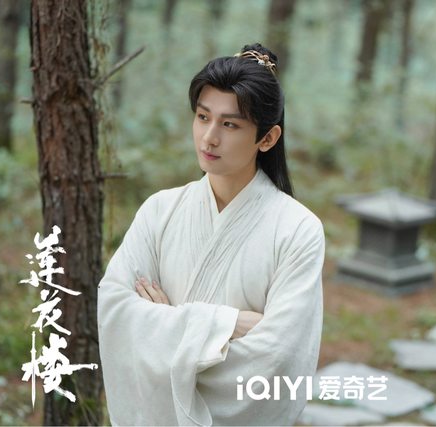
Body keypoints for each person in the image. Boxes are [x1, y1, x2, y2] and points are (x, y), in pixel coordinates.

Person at [98, 43, 325, 426]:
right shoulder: (159, 211)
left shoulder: (298, 230)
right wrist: (227, 324)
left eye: (229, 125)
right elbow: (117, 312)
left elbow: (279, 358)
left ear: (267, 138)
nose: (208, 138)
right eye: (203, 117)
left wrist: (164, 324)